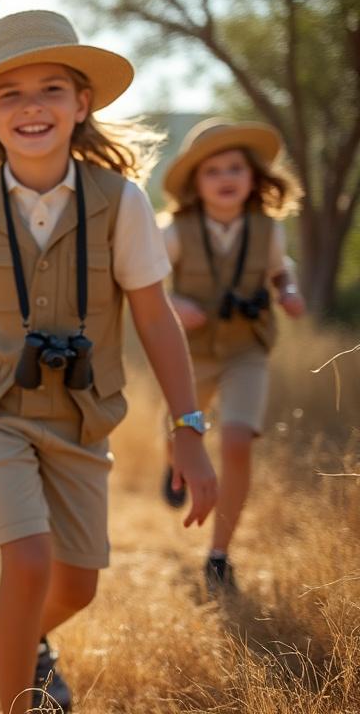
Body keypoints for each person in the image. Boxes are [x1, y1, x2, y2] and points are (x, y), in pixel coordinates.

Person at [0, 10, 218, 713]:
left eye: (51, 89)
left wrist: (190, 428)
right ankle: (17, 700)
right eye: (10, 94)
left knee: (77, 582)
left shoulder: (123, 203)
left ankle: (26, 640)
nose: (32, 106)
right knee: (26, 561)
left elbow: (154, 315)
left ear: (81, 104)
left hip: (82, 415)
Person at [157, 119, 306, 595]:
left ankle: (218, 555)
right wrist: (174, 305)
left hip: (247, 348)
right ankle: (173, 462)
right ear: (196, 184)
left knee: (238, 439)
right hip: (191, 353)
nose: (225, 177)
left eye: (235, 168)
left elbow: (281, 273)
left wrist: (288, 292)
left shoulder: (269, 231)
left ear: (254, 177)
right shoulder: (174, 232)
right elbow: (146, 285)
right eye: (213, 170)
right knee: (180, 432)